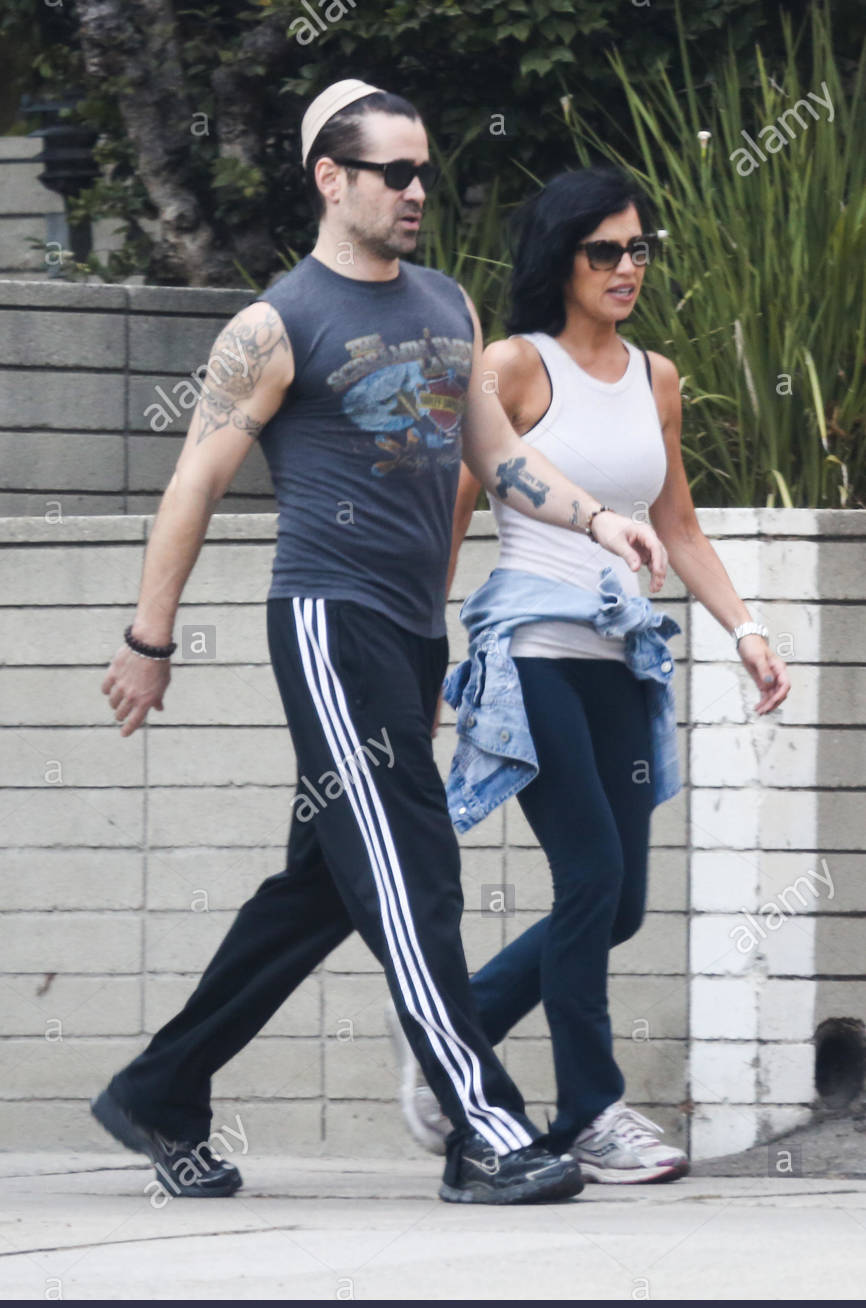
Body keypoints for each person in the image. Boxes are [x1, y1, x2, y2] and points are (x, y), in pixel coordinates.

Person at [90, 86, 669, 1205]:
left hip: (409, 631)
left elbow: (497, 456)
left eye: (422, 173)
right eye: (392, 174)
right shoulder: (275, 323)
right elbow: (193, 481)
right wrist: (147, 637)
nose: (415, 192)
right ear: (330, 179)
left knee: (319, 887)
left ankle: (160, 1088)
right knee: (413, 869)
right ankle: (482, 1127)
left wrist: (597, 517)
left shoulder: (445, 304)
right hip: (327, 619)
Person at [390, 167, 791, 1183]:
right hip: (532, 650)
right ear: (559, 258)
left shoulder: (655, 376)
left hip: (622, 658)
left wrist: (743, 627)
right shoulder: (513, 366)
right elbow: (449, 513)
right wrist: (424, 649)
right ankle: (589, 1112)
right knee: (591, 876)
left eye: (637, 248)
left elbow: (678, 525)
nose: (625, 267)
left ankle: (452, 1028)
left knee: (617, 907)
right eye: (602, 250)